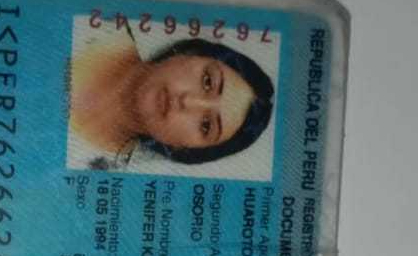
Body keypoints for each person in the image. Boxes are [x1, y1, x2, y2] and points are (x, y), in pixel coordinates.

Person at [69, 23, 274, 169]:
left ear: (183, 150)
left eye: (206, 125)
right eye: (207, 81)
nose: (187, 101)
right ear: (189, 53)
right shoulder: (99, 25)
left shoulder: (98, 169)